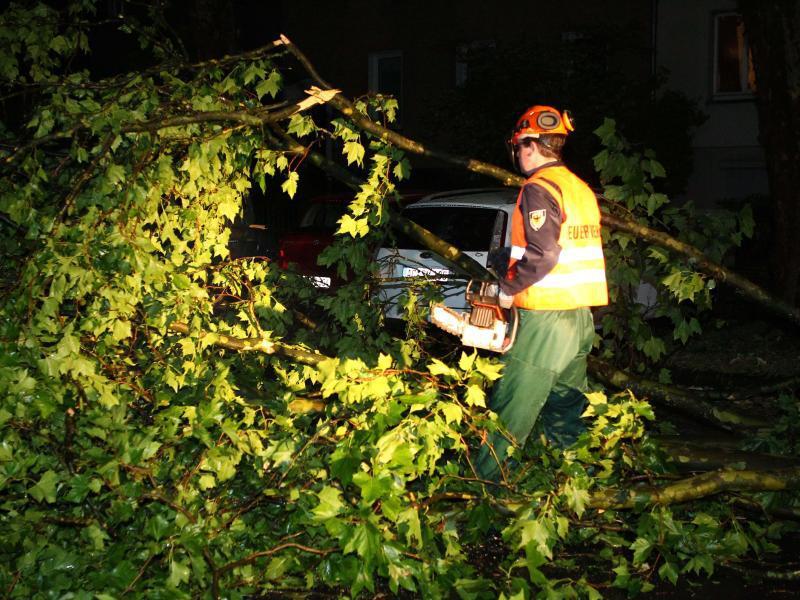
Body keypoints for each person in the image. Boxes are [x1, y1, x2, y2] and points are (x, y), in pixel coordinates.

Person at [475, 105, 608, 482]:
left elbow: (546, 253)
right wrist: (509, 260)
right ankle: (578, 488)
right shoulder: (578, 187)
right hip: (579, 317)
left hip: (546, 319)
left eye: (519, 147)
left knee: (509, 413)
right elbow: (557, 245)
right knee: (568, 411)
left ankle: (485, 496)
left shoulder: (538, 187)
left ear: (530, 146)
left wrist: (507, 286)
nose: (518, 154)